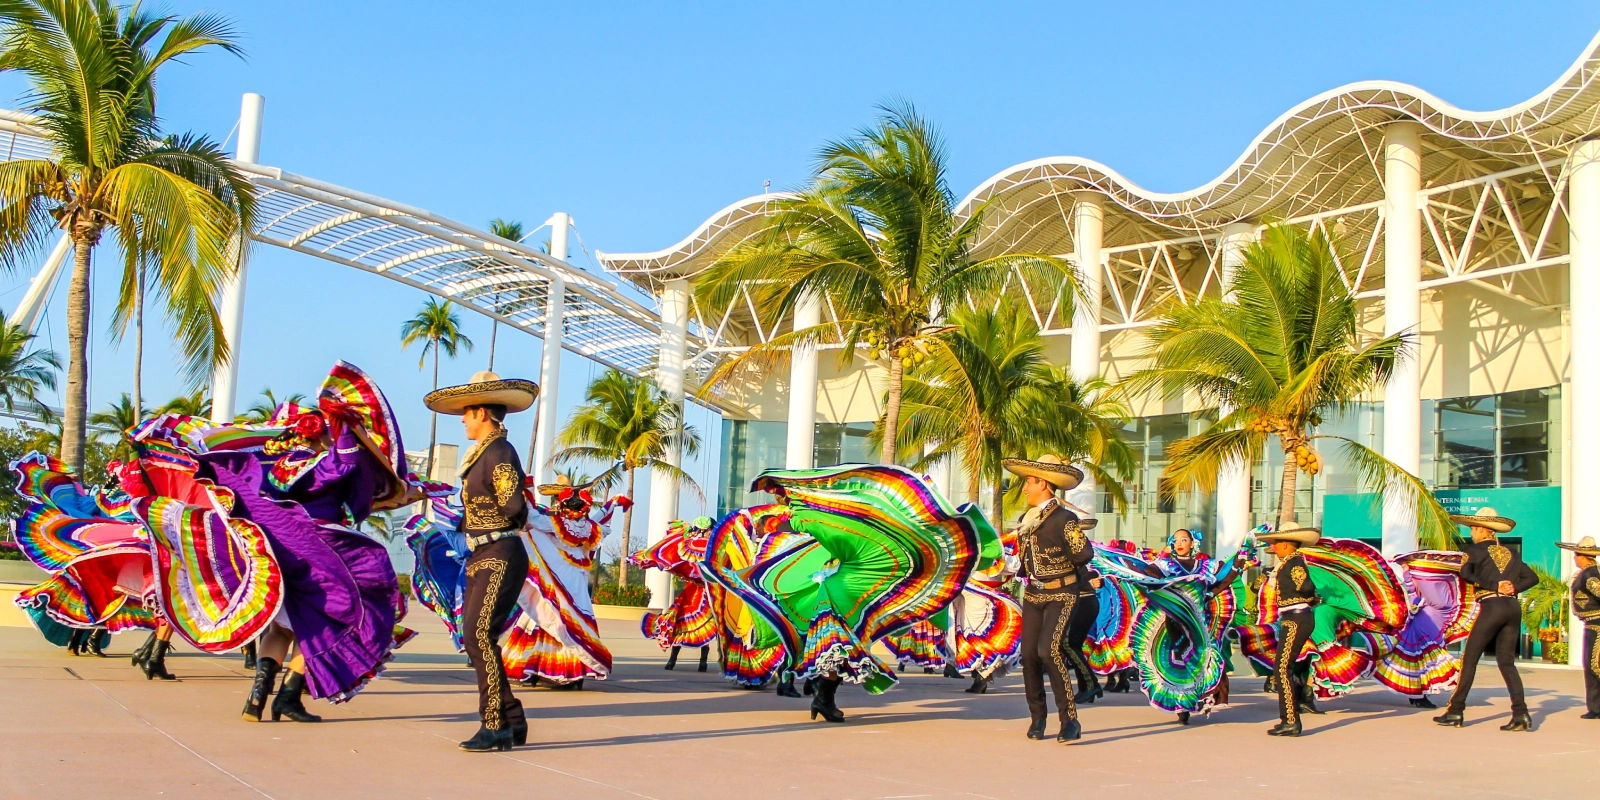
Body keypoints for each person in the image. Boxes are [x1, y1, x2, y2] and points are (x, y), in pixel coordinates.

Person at [423, 371, 540, 753]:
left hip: (501, 554)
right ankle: (513, 719)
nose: (462, 420)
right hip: (482, 554)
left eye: (467, 413)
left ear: (483, 414)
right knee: (475, 637)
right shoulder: (484, 454)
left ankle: (495, 725)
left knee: (478, 636)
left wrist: (509, 513)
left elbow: (513, 506)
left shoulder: (500, 453)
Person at [1001, 454, 1092, 744]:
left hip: (1062, 593)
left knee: (1048, 651)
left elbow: (1083, 554)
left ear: (1042, 483)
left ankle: (1069, 721)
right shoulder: (1026, 520)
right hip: (1033, 593)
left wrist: (1060, 566)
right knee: (1028, 655)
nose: (1025, 488)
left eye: (1028, 482)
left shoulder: (1065, 518)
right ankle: (1037, 717)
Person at [1434, 507, 1538, 732]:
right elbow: (1532, 578)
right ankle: (1521, 713)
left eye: (1473, 529)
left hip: (1492, 606)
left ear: (1482, 530)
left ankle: (1455, 710)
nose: (1471, 533)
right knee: (1507, 663)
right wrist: (1514, 587)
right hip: (1512, 608)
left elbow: (1465, 574)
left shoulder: (1475, 551)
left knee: (1469, 659)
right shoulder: (1512, 553)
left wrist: (1493, 585)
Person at [1257, 522, 1322, 737]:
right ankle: (1289, 719)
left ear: (1286, 544)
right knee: (1283, 668)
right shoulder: (1289, 563)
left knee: (1282, 668)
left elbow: (1306, 586)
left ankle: (1291, 721)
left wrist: (1308, 591)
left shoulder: (1294, 563)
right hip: (1295, 617)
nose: (1274, 547)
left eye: (1276, 543)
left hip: (1296, 618)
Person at [1556, 535, 1600, 720]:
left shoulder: (1590, 575)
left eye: (1575, 554)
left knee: (1594, 665)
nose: (1574, 558)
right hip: (1591, 624)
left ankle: (1597, 708)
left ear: (1581, 555)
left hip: (1597, 626)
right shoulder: (1588, 573)